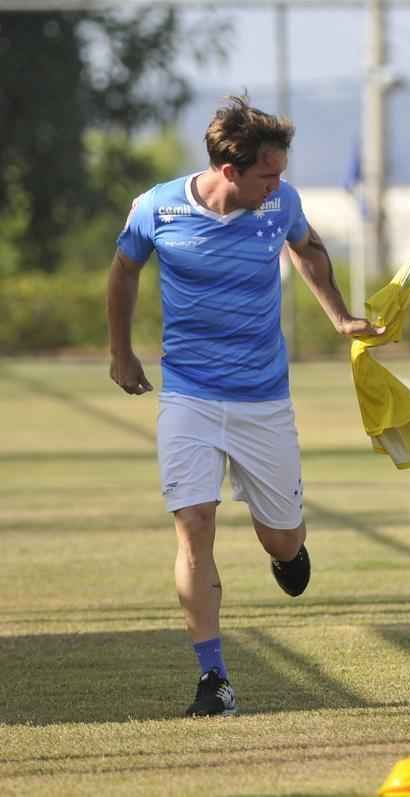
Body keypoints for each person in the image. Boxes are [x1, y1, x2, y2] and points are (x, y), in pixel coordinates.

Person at [106, 96, 381, 717]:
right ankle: (214, 678)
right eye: (268, 174)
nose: (279, 185)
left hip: (263, 401)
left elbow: (307, 248)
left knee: (280, 539)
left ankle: (288, 550)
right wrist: (121, 353)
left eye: (281, 172)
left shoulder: (281, 205)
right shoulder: (159, 207)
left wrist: (338, 315)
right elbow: (124, 270)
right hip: (188, 396)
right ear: (230, 171)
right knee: (194, 524)